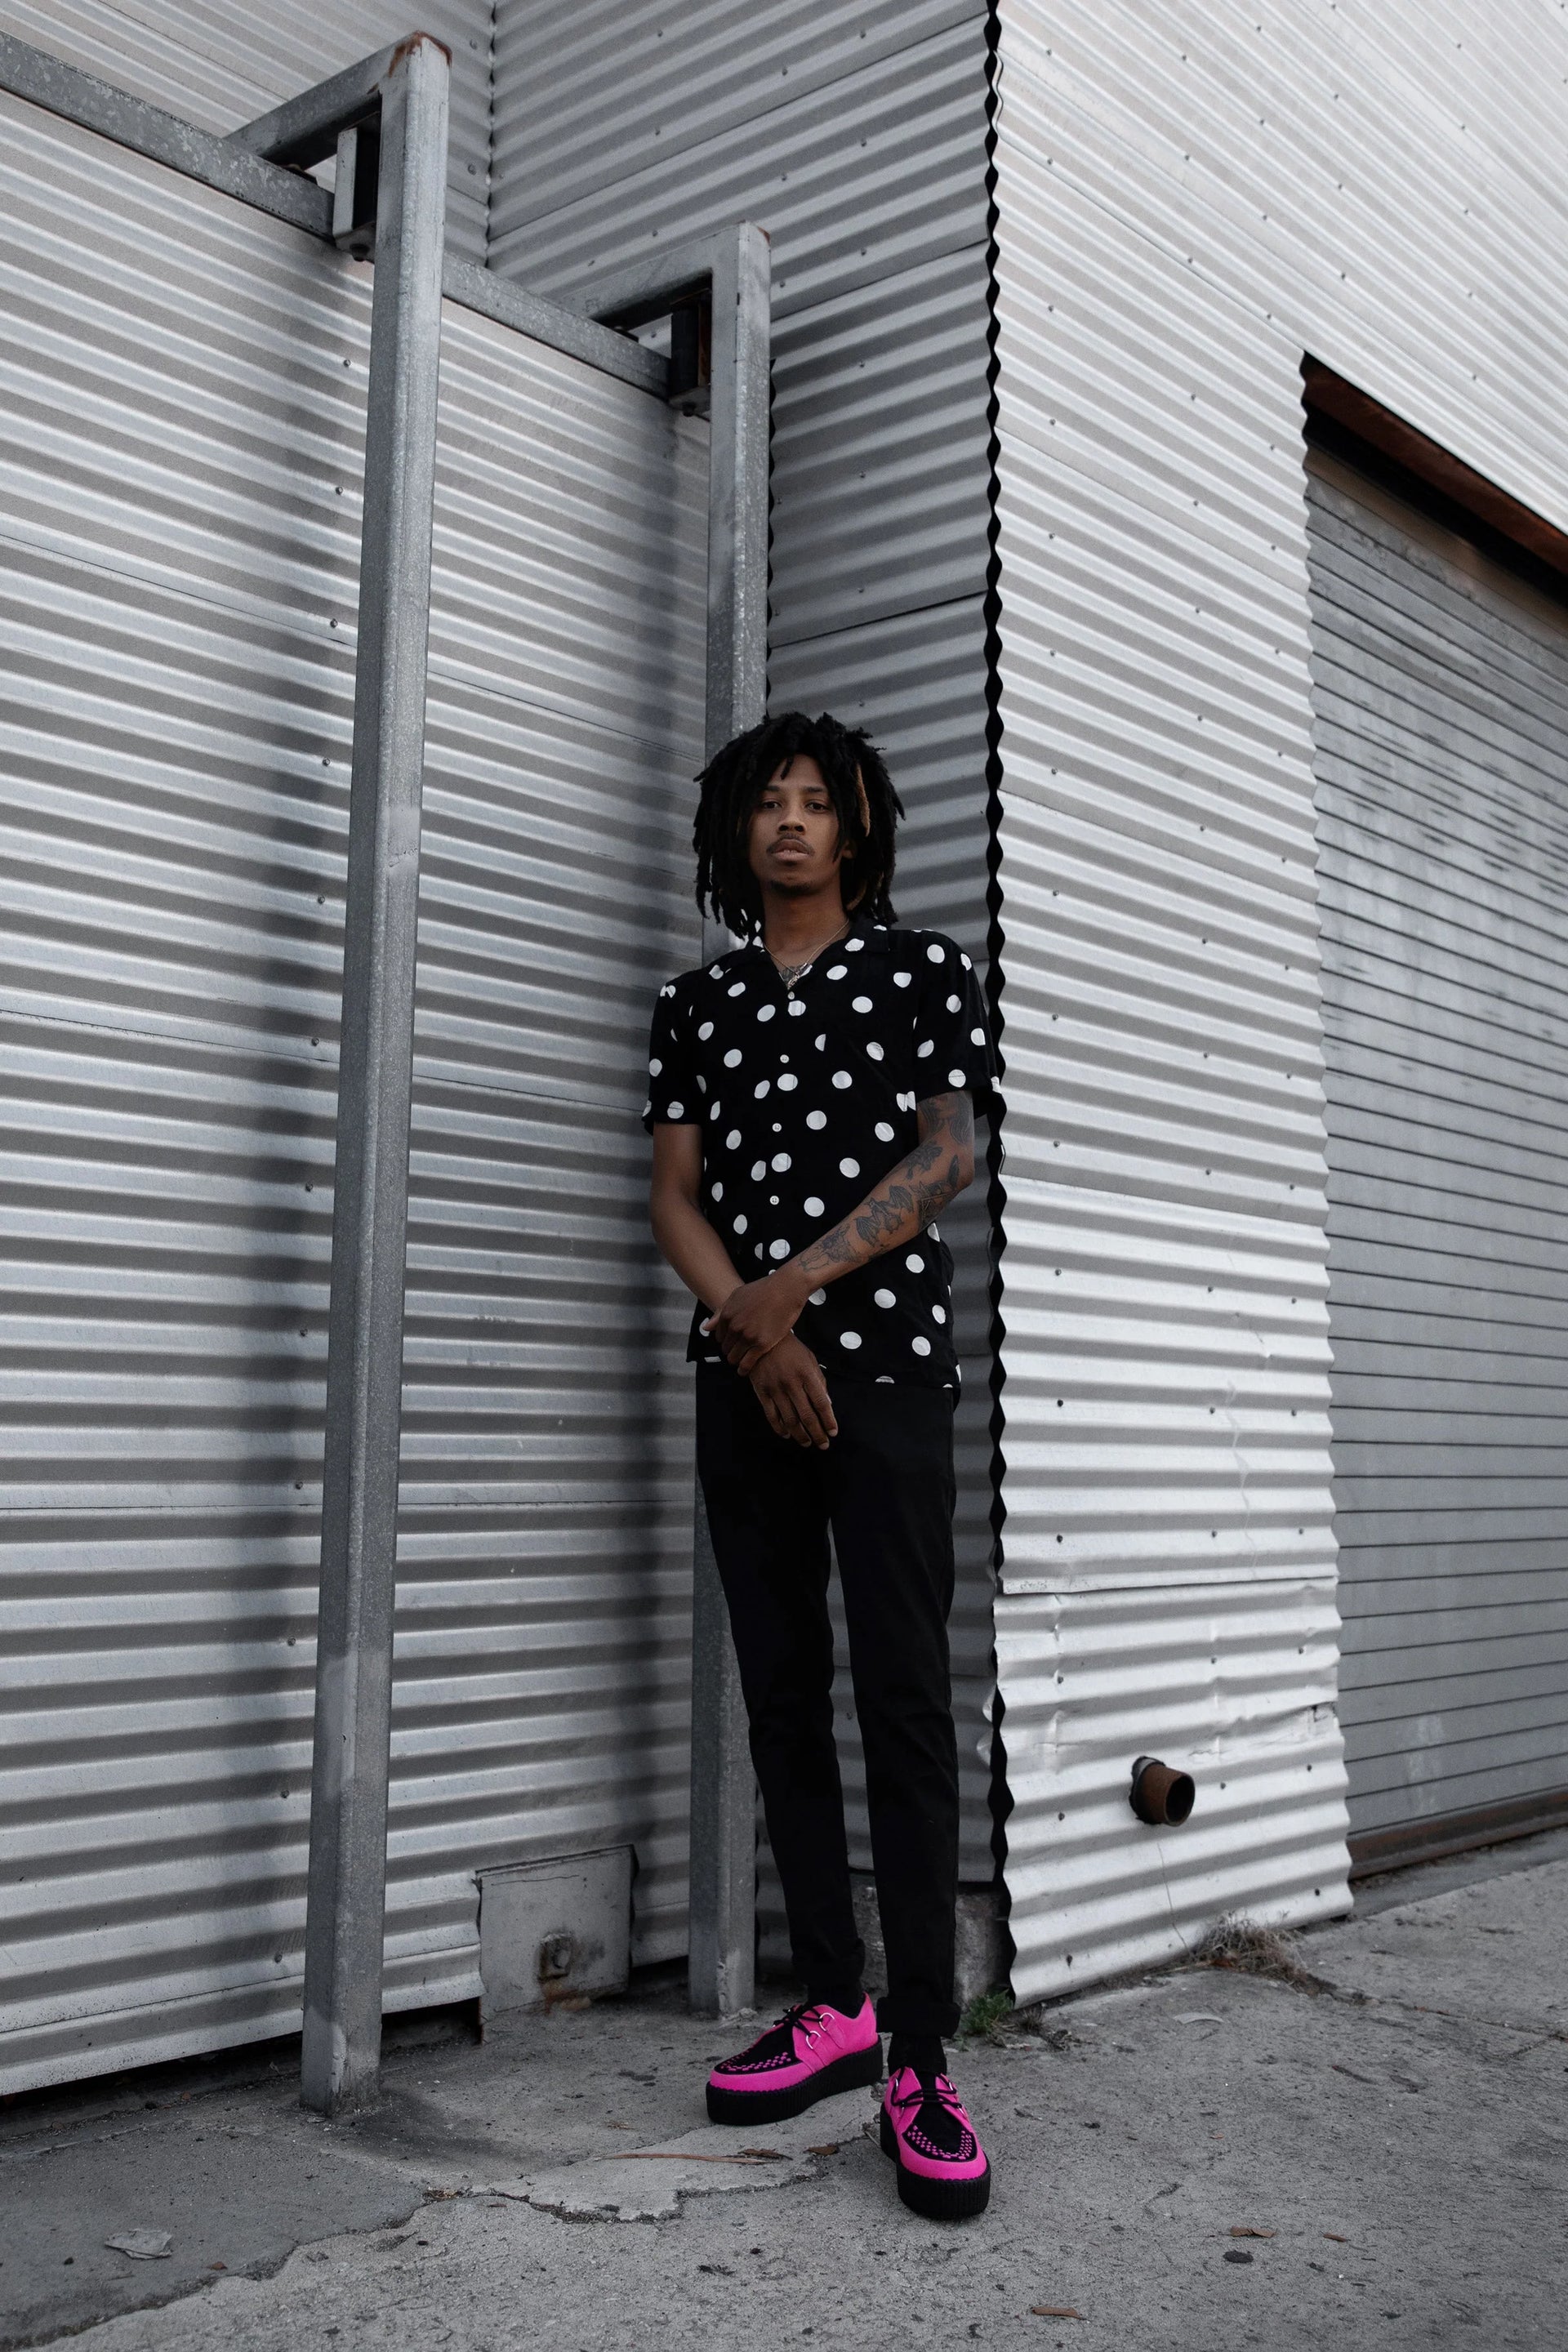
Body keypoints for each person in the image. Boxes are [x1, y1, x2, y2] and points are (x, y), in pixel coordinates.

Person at [644, 709, 998, 2221]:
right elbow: (673, 1193)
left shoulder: (923, 971)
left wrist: (792, 1291)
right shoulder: (697, 1002)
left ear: (857, 828)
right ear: (736, 830)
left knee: (903, 1694)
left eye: (816, 801)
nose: (790, 821)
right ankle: (835, 2003)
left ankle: (922, 2051)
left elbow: (948, 1153)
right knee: (783, 1690)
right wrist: (751, 1328)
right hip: (745, 1378)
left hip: (890, 1374)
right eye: (767, 802)